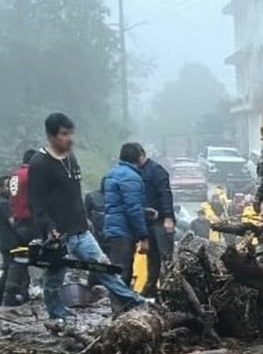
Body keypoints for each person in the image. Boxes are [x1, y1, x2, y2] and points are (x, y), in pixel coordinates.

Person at [27, 112, 144, 328]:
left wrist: (85, 218)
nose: (69, 138)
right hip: (58, 233)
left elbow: (75, 194)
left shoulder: (71, 159)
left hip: (81, 229)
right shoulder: (40, 163)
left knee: (104, 268)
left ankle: (134, 302)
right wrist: (49, 228)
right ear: (52, 136)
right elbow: (37, 202)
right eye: (64, 134)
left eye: (71, 133)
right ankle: (58, 317)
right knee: (54, 280)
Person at [102, 143, 150, 287]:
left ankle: (119, 304)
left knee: (117, 267)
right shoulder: (131, 177)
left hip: (113, 226)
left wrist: (145, 211)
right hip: (124, 229)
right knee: (122, 270)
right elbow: (132, 208)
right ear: (137, 156)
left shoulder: (112, 173)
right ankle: (119, 307)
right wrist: (143, 235)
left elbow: (116, 202)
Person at [136, 144, 174, 298]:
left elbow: (166, 194)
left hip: (161, 220)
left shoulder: (156, 171)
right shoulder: (137, 171)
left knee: (166, 256)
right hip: (147, 220)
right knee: (152, 257)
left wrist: (168, 217)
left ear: (142, 155)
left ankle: (168, 289)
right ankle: (151, 288)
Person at [0, 175, 28, 306]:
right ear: (0, 188)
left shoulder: (5, 203)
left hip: (7, 242)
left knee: (8, 270)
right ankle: (9, 297)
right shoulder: (4, 204)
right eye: (8, 186)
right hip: (10, 243)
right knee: (14, 270)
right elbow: (13, 223)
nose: (11, 189)